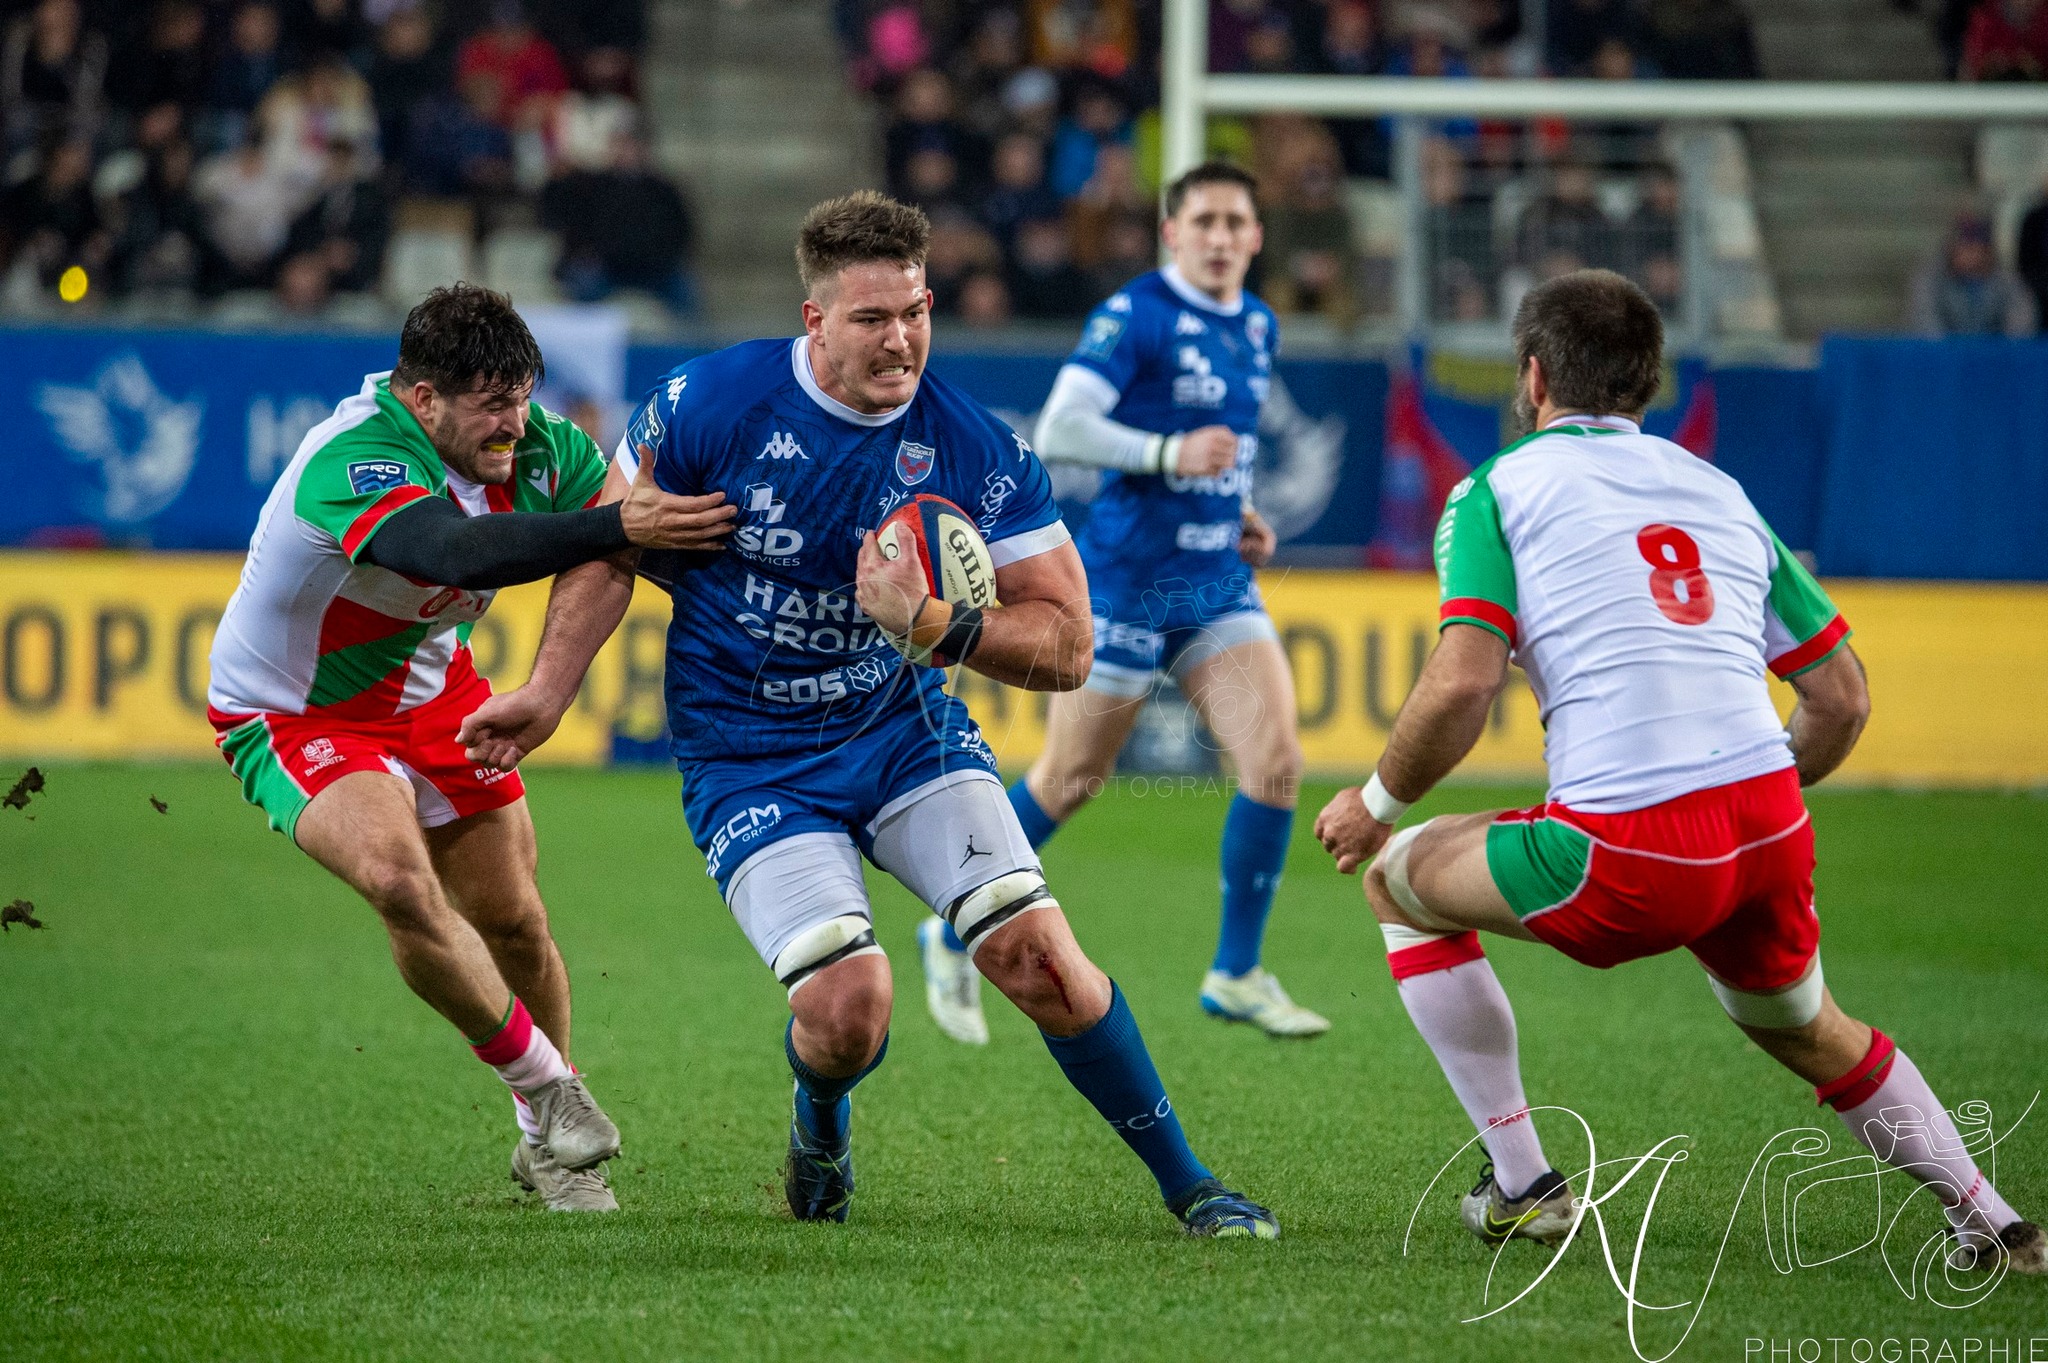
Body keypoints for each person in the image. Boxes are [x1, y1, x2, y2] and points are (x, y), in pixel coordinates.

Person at [457, 190, 1281, 1239]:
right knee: (848, 1012)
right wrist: (545, 692)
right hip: (748, 759)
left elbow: (1070, 643)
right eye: (870, 319)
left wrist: (936, 624)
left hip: (904, 738)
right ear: (814, 320)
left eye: (914, 313)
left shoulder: (975, 448)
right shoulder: (710, 404)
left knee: (1037, 958)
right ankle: (821, 1121)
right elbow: (611, 547)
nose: (900, 340)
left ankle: (1191, 1185)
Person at [1311, 269, 2047, 1276]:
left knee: (1399, 876)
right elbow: (1841, 698)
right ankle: (1994, 1221)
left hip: (1629, 848)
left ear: (1531, 377)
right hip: (1767, 826)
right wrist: (1754, 805)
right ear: (1646, 386)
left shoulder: (1494, 489)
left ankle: (1523, 1186)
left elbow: (1459, 684)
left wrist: (1372, 803)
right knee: (1810, 1030)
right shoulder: (1719, 491)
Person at [204, 284, 736, 1213]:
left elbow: (633, 549)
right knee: (401, 884)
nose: (515, 422)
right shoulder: (355, 454)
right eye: (491, 402)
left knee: (517, 919)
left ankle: (547, 1153)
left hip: (433, 694)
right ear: (423, 399)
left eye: (524, 395)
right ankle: (550, 1092)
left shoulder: (538, 448)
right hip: (295, 711)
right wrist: (618, 523)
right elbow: (454, 551)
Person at [955, 161, 1328, 1044]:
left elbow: (1219, 449)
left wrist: (1238, 508)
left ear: (1257, 235)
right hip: (1124, 581)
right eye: (1203, 221)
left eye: (1237, 221)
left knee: (1275, 760)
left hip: (1215, 580)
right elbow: (1062, 428)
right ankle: (950, 916)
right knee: (1072, 778)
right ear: (1172, 233)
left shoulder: (1258, 325)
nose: (1221, 236)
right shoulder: (1136, 315)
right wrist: (1167, 456)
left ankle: (1236, 971)